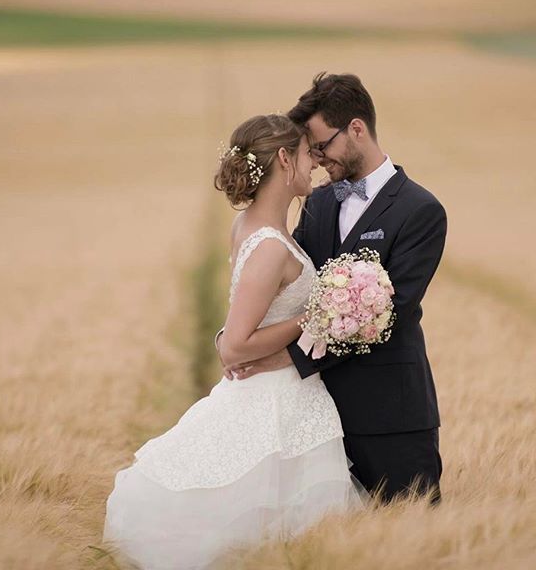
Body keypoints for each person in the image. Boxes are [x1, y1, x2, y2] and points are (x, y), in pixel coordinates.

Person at [103, 114, 363, 570]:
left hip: (289, 396)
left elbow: (236, 326)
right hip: (277, 404)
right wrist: (313, 316)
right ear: (284, 158)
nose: (314, 163)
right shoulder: (269, 245)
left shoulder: (251, 226)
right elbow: (236, 347)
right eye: (306, 154)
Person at [231, 73, 447, 504]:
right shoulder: (319, 202)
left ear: (356, 129)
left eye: (322, 145)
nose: (315, 159)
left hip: (390, 416)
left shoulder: (421, 211)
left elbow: (387, 315)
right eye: (310, 151)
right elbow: (293, 289)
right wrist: (237, 339)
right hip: (313, 421)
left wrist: (279, 359)